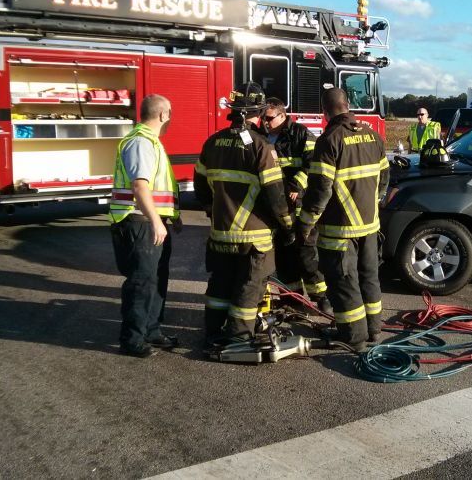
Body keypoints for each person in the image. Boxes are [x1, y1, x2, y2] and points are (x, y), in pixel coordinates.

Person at [194, 82, 293, 348]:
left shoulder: (212, 143)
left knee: (220, 287)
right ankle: (238, 338)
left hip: (220, 234)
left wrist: (211, 211)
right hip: (255, 237)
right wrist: (287, 226)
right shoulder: (261, 147)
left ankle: (213, 332)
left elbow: (200, 186)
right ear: (259, 113)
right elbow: (275, 195)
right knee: (248, 288)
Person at [298, 88, 389, 349]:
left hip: (340, 229)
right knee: (369, 276)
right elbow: (384, 178)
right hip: (370, 225)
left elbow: (320, 189)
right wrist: (372, 205)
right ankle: (373, 329)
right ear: (348, 105)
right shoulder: (373, 135)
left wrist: (306, 222)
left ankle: (352, 337)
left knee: (344, 281)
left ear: (324, 112)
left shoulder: (329, 140)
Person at [109, 94, 182, 358]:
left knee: (156, 279)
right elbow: (140, 186)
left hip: (150, 221)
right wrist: (155, 222)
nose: (171, 117)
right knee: (141, 282)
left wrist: (172, 217)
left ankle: (151, 330)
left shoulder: (150, 141)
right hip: (138, 222)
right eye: (170, 112)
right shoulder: (141, 142)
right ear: (163, 115)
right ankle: (132, 339)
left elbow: (157, 187)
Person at [262, 98, 331, 314]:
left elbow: (314, 163)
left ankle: (322, 299)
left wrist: (296, 186)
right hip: (277, 207)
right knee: (284, 258)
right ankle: (293, 301)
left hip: (298, 204)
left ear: (283, 115)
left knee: (306, 255)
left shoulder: (301, 134)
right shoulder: (262, 136)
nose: (265, 122)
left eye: (270, 118)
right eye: (264, 117)